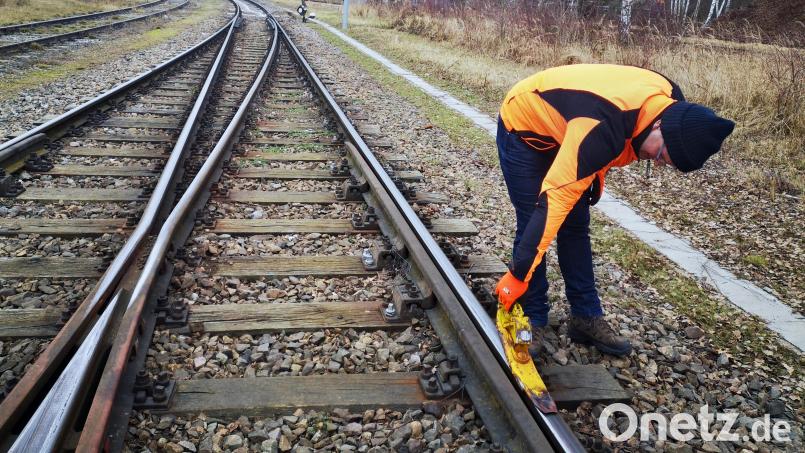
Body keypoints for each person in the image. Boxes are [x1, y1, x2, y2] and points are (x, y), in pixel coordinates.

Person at [494, 64, 734, 357]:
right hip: (525, 128)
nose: (658, 162)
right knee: (536, 219)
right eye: (661, 155)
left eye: (665, 163)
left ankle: (585, 316)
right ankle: (532, 314)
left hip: (577, 127)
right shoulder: (603, 125)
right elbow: (554, 202)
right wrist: (518, 274)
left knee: (576, 226)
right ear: (659, 126)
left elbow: (614, 134)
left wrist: (596, 171)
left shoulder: (672, 103)